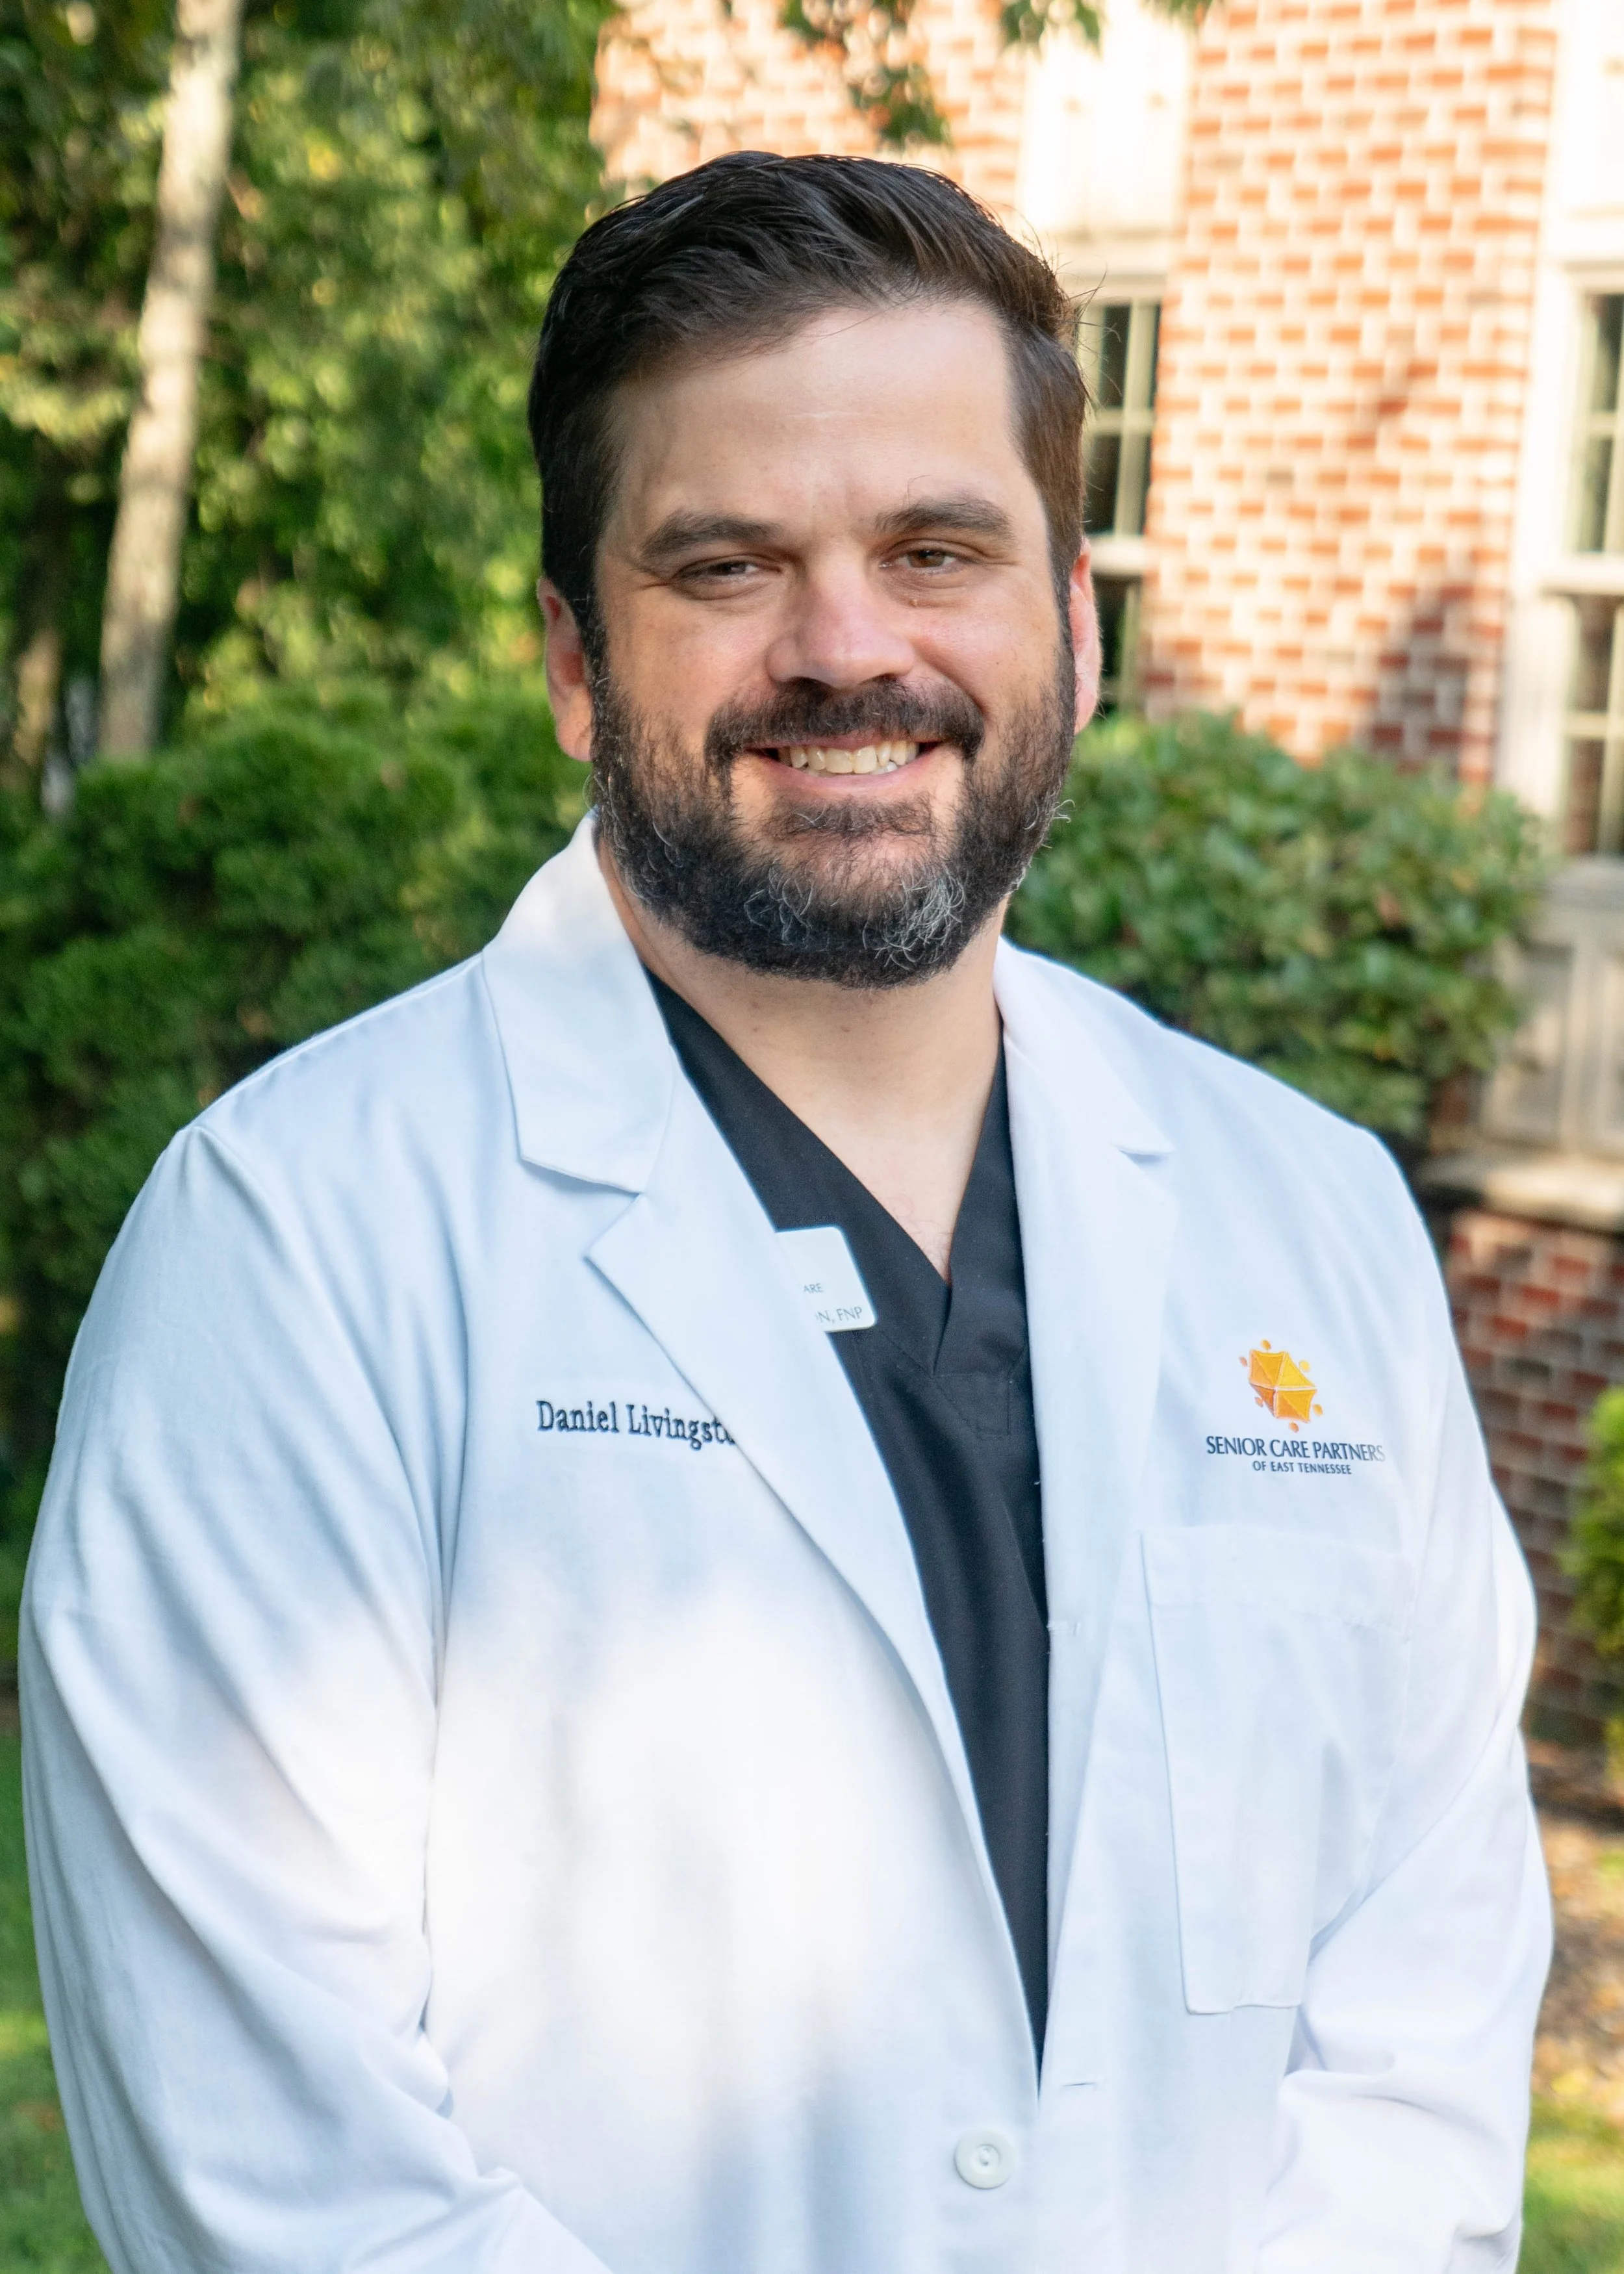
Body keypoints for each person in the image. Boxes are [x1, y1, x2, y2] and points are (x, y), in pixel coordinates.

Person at [22, 151, 1549, 2274]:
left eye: (935, 548)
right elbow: (282, 2175)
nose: (848, 650)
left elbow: (1419, 2047)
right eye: (726, 566)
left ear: (1072, 628)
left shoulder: (1314, 1220)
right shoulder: (294, 1249)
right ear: (574, 661)